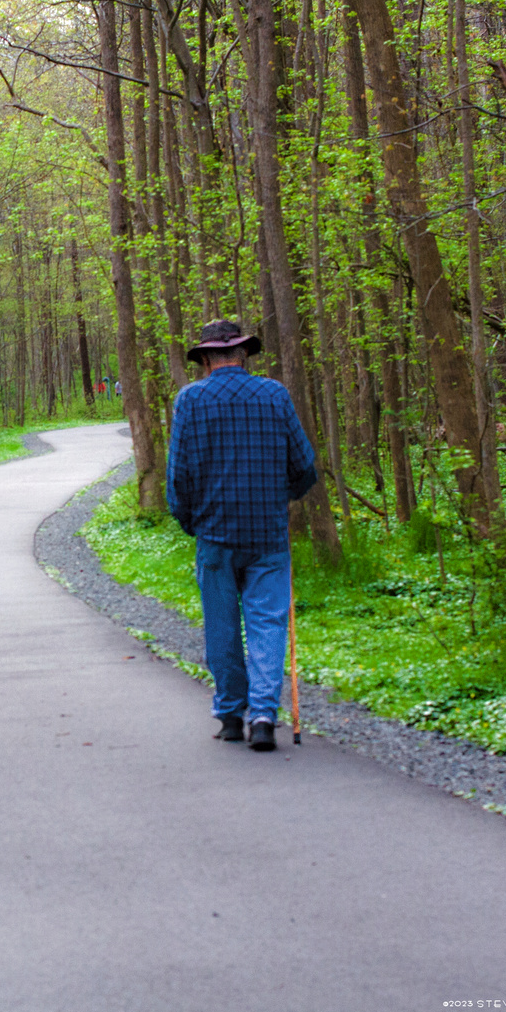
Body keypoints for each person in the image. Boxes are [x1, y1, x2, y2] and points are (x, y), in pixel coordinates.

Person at [165, 319, 318, 751]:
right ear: (243, 354)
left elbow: (179, 477)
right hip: (268, 534)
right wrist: (279, 498)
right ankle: (265, 716)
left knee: (222, 625)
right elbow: (305, 467)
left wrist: (189, 521)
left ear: (206, 359)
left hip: (214, 535)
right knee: (267, 623)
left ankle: (231, 715)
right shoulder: (275, 395)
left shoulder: (190, 400)